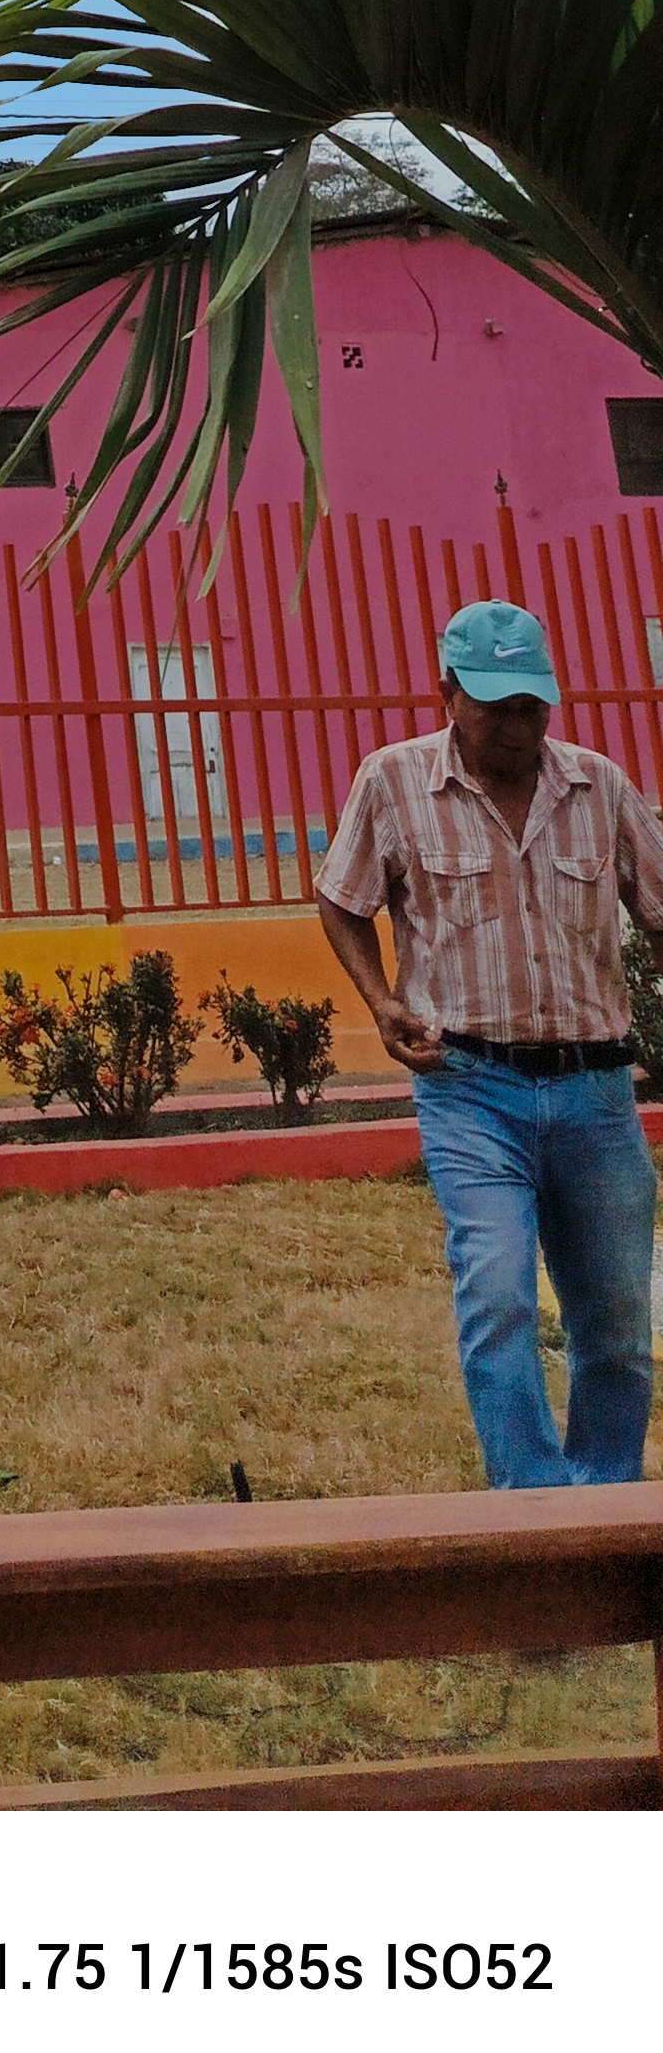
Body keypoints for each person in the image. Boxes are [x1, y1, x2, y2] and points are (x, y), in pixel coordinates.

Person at [316, 597, 663, 1489]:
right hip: (470, 1086)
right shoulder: (393, 782)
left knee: (619, 1324)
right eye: (496, 706)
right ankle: (533, 1510)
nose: (518, 726)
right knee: (500, 1293)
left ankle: (601, 1511)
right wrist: (381, 1002)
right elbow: (343, 898)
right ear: (448, 695)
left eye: (532, 706)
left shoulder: (599, 787)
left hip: (595, 1092)